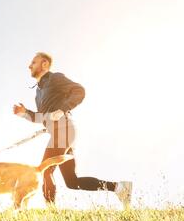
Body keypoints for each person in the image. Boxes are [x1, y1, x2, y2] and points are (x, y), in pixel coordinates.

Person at [13, 52, 132, 209]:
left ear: (44, 64)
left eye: (33, 62)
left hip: (64, 129)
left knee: (45, 169)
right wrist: (25, 113)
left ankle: (52, 214)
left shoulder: (55, 78)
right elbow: (42, 118)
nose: (29, 65)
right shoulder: (38, 93)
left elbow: (79, 91)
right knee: (72, 182)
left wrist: (62, 109)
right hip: (61, 133)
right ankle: (120, 188)